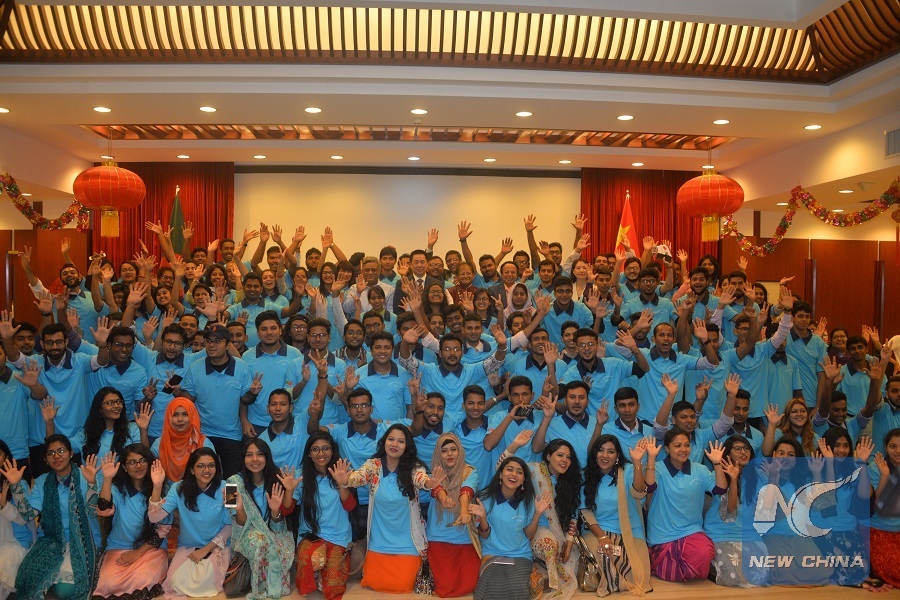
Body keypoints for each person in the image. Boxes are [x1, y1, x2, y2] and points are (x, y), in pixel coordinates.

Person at [330, 423, 446, 594]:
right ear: (384, 442)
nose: (394, 444)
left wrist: (429, 483)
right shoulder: (374, 465)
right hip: (379, 541)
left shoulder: (414, 467)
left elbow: (421, 479)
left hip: (407, 541)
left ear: (407, 446)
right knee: (373, 582)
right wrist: (345, 480)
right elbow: (359, 477)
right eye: (391, 439)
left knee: (403, 585)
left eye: (401, 441)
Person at [3, 434, 100, 600]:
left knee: (64, 591)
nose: (56, 456)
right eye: (51, 453)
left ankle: (56, 577)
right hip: (51, 541)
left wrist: (92, 484)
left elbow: (93, 512)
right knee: (28, 578)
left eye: (61, 450)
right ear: (46, 460)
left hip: (82, 542)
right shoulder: (42, 482)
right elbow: (28, 515)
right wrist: (16, 486)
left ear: (71, 453)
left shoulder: (86, 476)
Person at [644, 431, 727, 582]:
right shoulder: (657, 468)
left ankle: (672, 569)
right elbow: (649, 486)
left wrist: (717, 463)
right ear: (667, 448)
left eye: (687, 445)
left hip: (691, 530)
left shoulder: (700, 469)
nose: (683, 449)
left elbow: (720, 489)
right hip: (661, 534)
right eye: (677, 445)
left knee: (704, 553)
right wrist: (651, 457)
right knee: (676, 570)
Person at [149, 448, 232, 598]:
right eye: (200, 466)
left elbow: (231, 525)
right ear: (192, 470)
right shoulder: (178, 488)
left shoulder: (230, 487)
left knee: (205, 581)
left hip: (217, 545)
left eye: (211, 465)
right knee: (176, 582)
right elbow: (154, 517)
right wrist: (157, 486)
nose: (206, 470)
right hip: (188, 546)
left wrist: (205, 550)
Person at [467, 456, 550, 600]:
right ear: (500, 474)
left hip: (520, 555)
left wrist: (537, 513)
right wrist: (483, 518)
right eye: (509, 469)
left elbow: (529, 535)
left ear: (523, 479)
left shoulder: (528, 502)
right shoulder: (484, 498)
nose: (514, 474)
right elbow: (484, 535)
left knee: (515, 584)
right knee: (493, 584)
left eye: (519, 472)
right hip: (492, 554)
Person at [93, 444, 169, 600]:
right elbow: (104, 510)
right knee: (107, 585)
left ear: (149, 463)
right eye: (132, 462)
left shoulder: (161, 487)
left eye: (143, 461)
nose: (138, 466)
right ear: (125, 467)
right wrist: (107, 479)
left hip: (150, 550)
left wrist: (137, 553)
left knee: (143, 579)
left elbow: (162, 529)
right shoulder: (116, 489)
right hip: (119, 547)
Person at [580, 435, 653, 597]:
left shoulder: (627, 470)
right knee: (604, 558)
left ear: (617, 455)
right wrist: (601, 536)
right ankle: (615, 582)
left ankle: (615, 581)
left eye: (611, 452)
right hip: (598, 530)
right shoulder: (585, 475)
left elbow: (639, 492)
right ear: (594, 453)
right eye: (601, 450)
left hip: (630, 530)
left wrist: (637, 463)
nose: (605, 456)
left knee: (638, 575)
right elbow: (585, 511)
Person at [286, 431, 355, 600]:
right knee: (310, 565)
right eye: (315, 449)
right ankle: (317, 574)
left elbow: (350, 506)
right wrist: (289, 491)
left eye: (325, 448)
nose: (321, 453)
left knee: (332, 585)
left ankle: (322, 575)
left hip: (338, 536)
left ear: (332, 451)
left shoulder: (343, 471)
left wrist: (342, 484)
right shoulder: (301, 475)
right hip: (311, 535)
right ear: (309, 453)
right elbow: (287, 510)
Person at [226, 438, 294, 600]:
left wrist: (275, 510)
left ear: (267, 457)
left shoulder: (278, 480)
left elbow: (278, 525)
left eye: (259, 454)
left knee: (272, 542)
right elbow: (238, 524)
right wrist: (240, 509)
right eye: (249, 455)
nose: (254, 459)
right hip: (244, 534)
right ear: (243, 458)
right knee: (260, 542)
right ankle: (260, 589)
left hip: (273, 531)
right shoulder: (231, 483)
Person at [702, 435, 763, 588]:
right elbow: (730, 509)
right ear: (728, 453)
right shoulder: (719, 474)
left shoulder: (757, 475)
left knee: (762, 574)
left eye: (746, 448)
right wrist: (734, 479)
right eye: (738, 449)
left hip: (748, 532)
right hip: (721, 532)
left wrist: (774, 477)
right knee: (734, 575)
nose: (743, 452)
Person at [524, 439, 582, 600]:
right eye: (560, 455)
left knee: (571, 559)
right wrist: (514, 445)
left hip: (561, 533)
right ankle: (554, 586)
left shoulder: (571, 482)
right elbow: (500, 468)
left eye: (568, 457)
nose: (565, 460)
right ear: (549, 456)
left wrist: (569, 542)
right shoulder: (534, 470)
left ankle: (544, 574)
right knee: (549, 544)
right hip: (535, 528)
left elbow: (574, 515)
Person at [425, 433, 480, 598]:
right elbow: (437, 489)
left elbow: (466, 491)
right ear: (438, 454)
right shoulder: (435, 473)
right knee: (444, 587)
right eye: (444, 451)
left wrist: (464, 511)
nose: (449, 454)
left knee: (470, 584)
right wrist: (444, 500)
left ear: (460, 451)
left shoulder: (470, 472)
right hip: (438, 539)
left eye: (453, 449)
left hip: (464, 539)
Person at [151, 398, 214, 483]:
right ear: (168, 417)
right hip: (164, 490)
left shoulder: (204, 443)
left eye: (185, 414)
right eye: (175, 415)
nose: (180, 419)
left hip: (197, 490)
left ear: (192, 416)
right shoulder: (159, 444)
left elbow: (213, 475)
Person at [870, 428, 900, 590]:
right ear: (886, 448)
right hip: (880, 531)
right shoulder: (876, 467)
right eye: (893, 446)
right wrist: (885, 477)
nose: (898, 451)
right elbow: (878, 505)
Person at [0, 439, 29, 600]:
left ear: (6, 457)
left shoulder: (19, 482)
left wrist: (5, 506)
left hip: (15, 543)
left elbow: (25, 520)